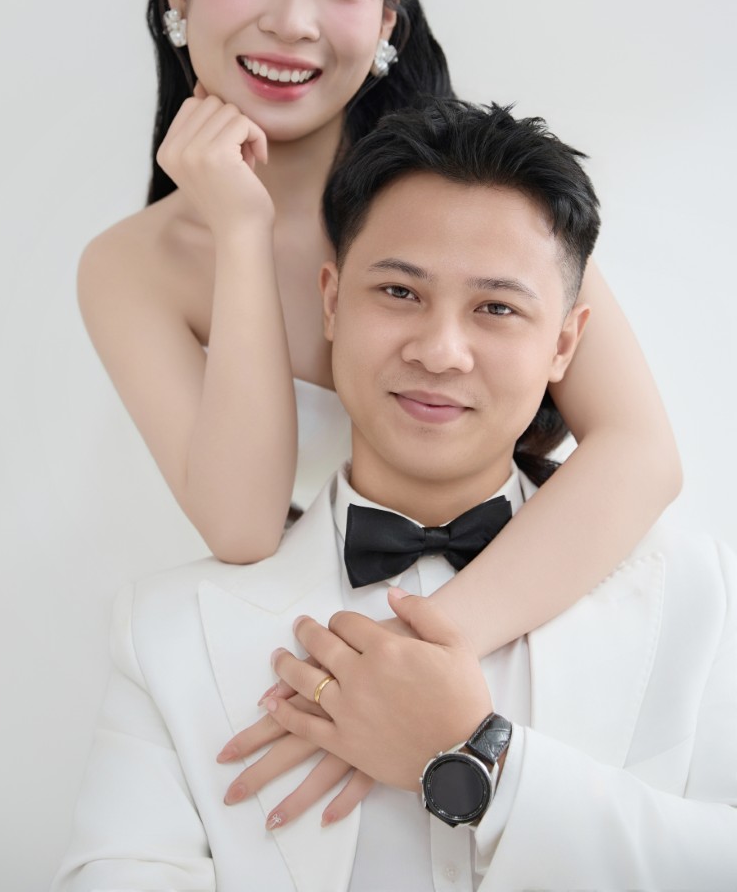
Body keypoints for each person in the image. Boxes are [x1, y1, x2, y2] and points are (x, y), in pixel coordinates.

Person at [78, 0, 680, 820]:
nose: (292, 21)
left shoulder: (467, 195)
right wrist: (237, 229)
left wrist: (424, 656)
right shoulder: (131, 267)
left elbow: (641, 452)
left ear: (391, 19)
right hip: (277, 668)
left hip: (520, 633)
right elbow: (240, 524)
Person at [52, 102, 736, 890]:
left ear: (564, 344)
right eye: (401, 293)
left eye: (496, 308)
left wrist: (482, 760)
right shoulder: (167, 631)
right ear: (332, 302)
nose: (440, 351)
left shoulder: (699, 596)